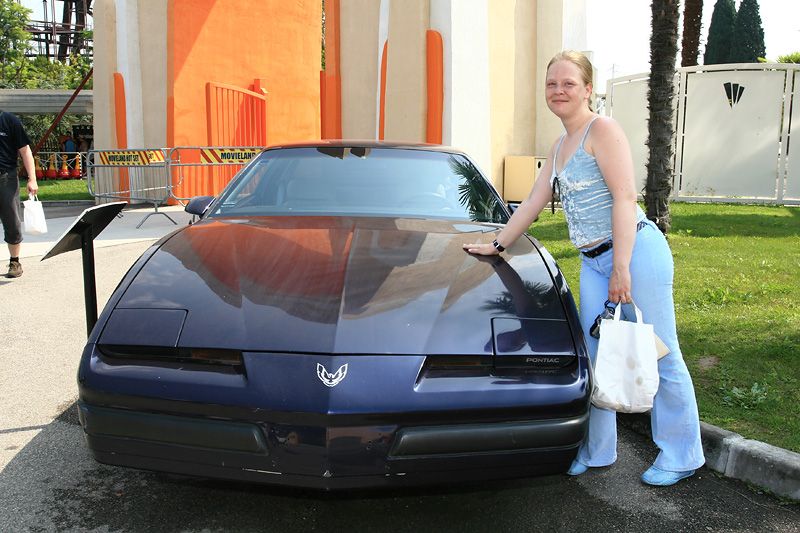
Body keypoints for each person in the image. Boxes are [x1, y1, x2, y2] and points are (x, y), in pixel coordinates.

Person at [463, 50, 705, 487]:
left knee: (660, 351)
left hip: (635, 252)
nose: (558, 91)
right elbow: (533, 202)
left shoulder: (602, 130)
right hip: (594, 262)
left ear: (588, 89)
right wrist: (496, 245)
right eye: (552, 84)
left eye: (569, 83)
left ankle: (682, 453)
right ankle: (598, 450)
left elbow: (624, 198)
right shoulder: (559, 147)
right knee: (594, 354)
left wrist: (622, 268)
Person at [0, 110, 38, 278]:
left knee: (12, 221)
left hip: (6, 178)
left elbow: (25, 151)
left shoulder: (9, 120)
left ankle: (14, 262)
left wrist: (32, 179)